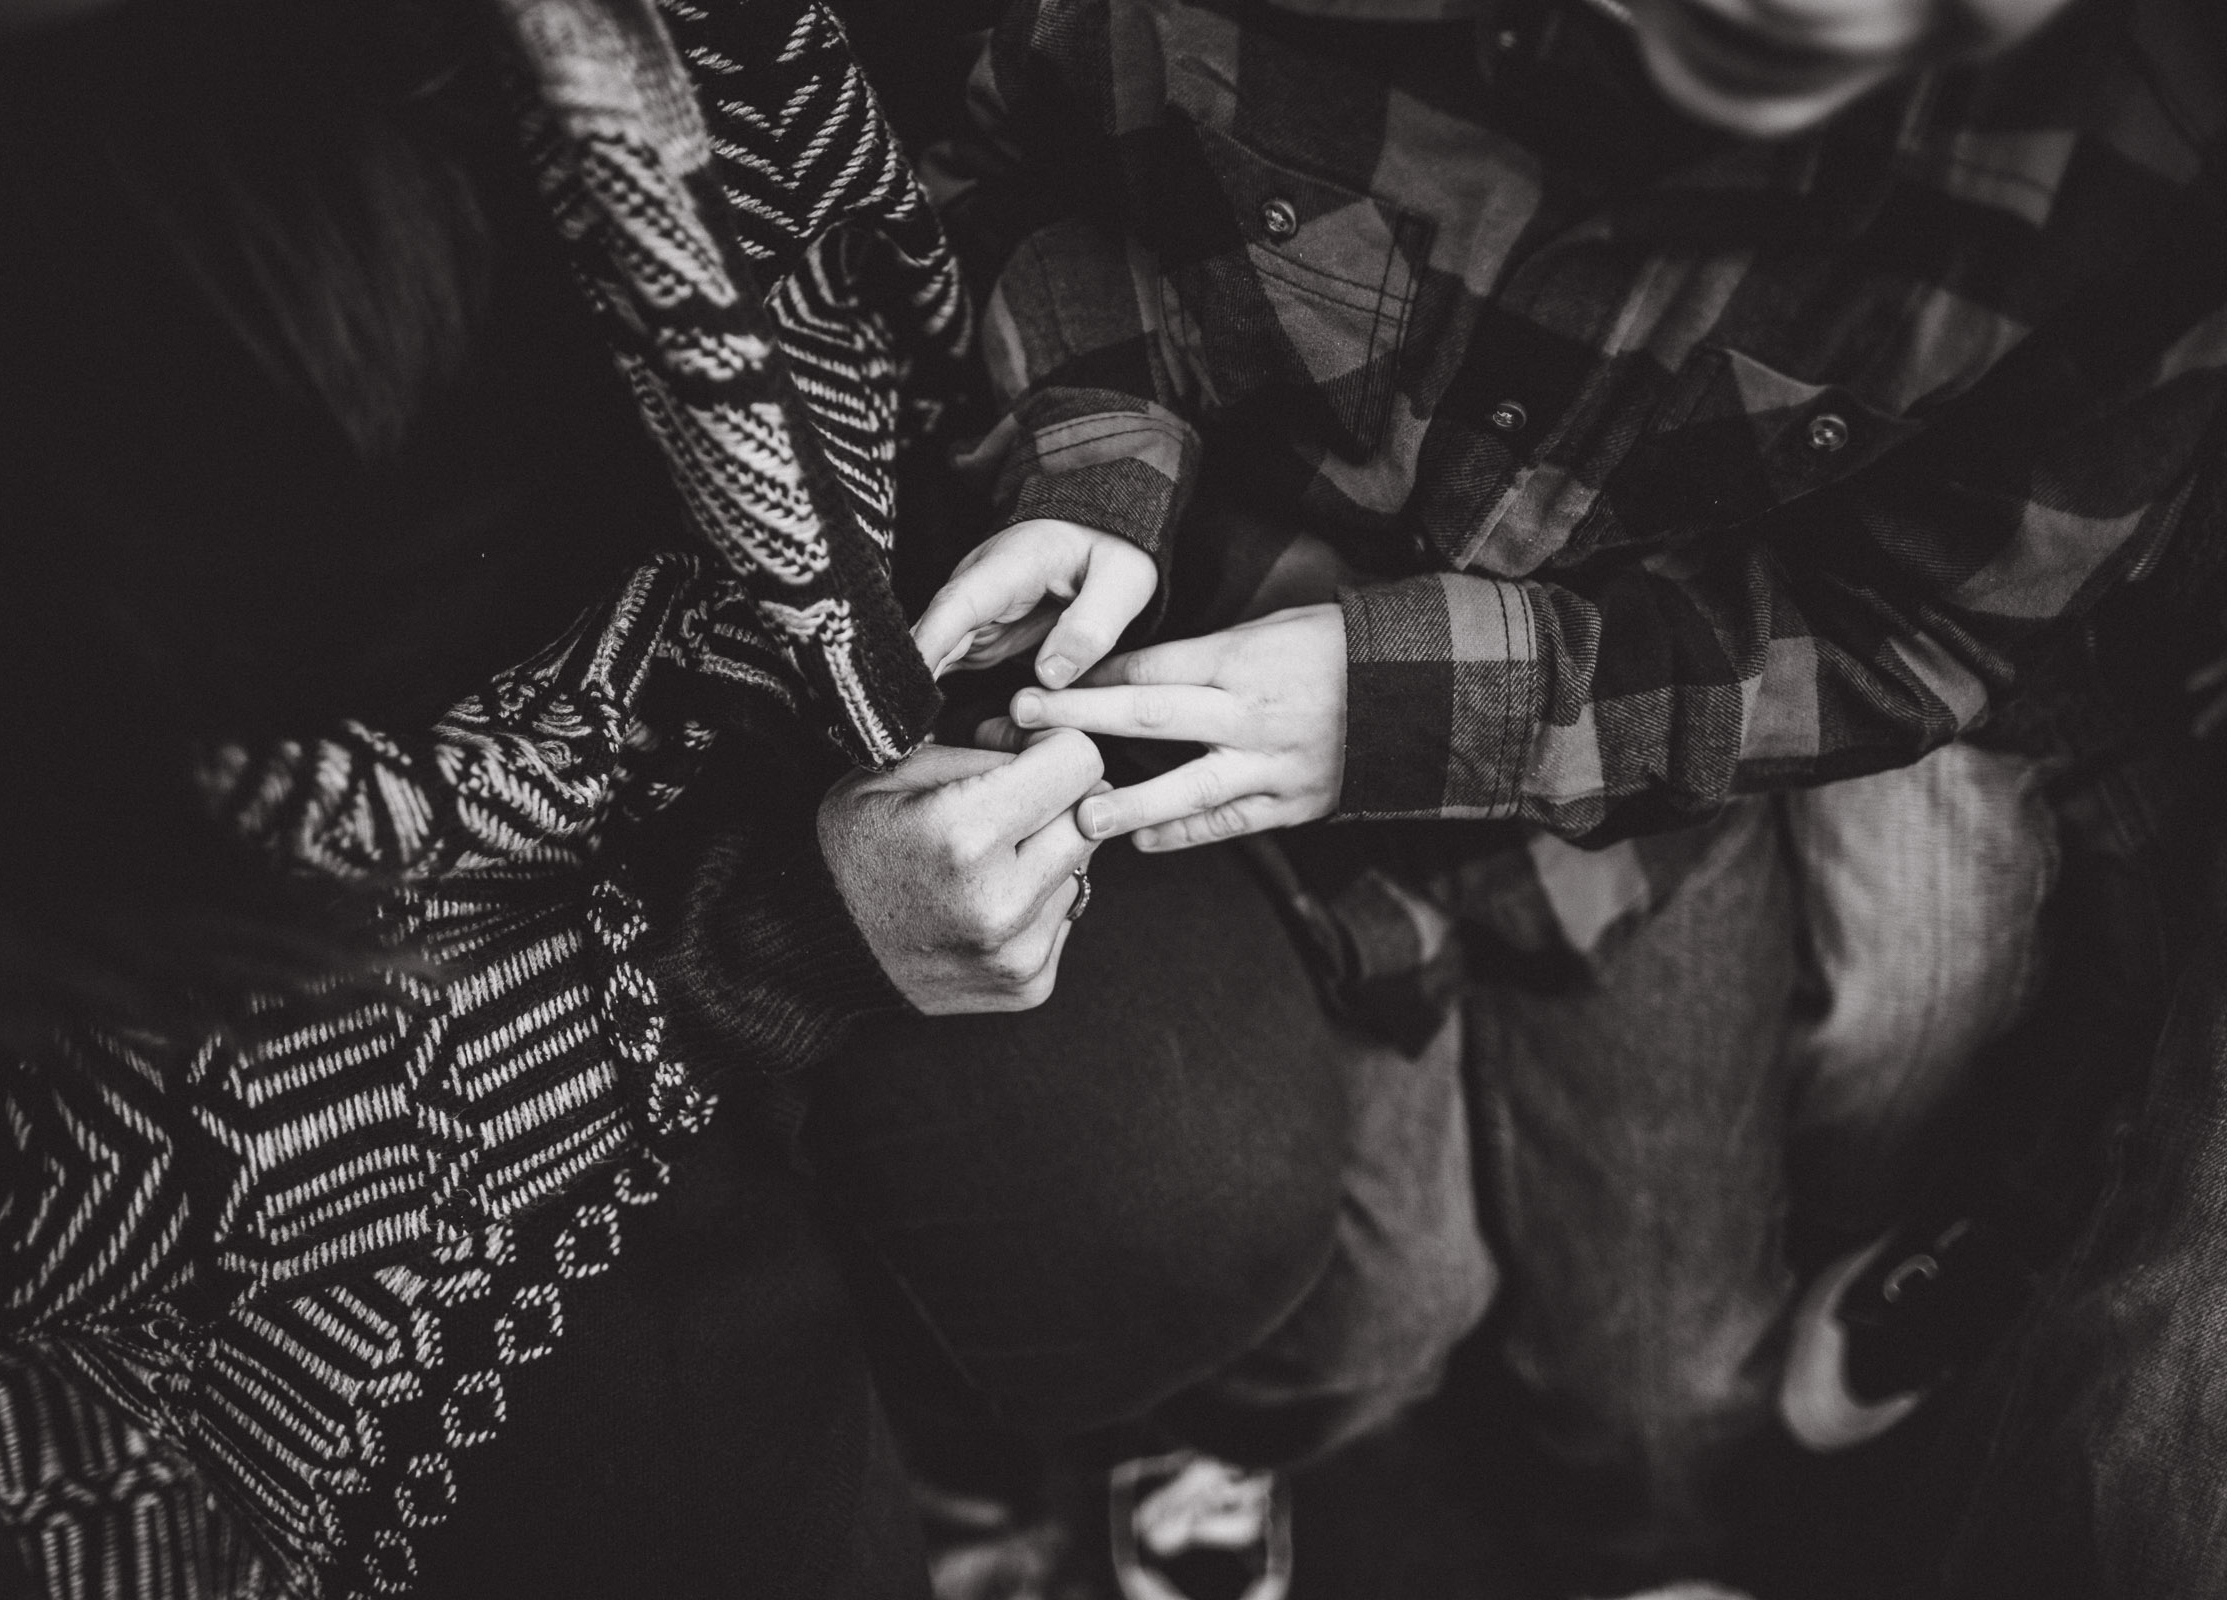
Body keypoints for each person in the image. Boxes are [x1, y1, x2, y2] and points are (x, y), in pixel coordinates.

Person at [0, 0, 1202, 1593]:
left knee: (1184, 1207)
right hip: (339, 1047)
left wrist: (1077, 467)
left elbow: (949, 191)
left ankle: (992, 1436)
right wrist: (758, 948)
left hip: (764, 707)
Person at [886, 0, 2227, 1588]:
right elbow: (996, 177)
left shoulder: (2141, 190)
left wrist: (1435, 706)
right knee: (1371, 1326)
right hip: (1202, 725)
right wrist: (1097, 454)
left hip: (1640, 797)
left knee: (1670, 1400)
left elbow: (1924, 624)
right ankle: (1201, 1436)